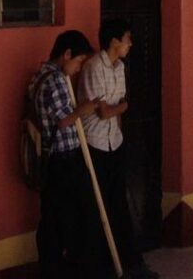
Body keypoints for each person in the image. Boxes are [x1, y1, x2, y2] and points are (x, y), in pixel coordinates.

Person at [79, 18, 158, 279]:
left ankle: (127, 260)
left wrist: (118, 114)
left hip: (115, 142)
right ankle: (97, 263)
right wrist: (120, 108)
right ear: (114, 41)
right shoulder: (93, 67)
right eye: (127, 39)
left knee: (118, 203)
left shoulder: (119, 67)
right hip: (95, 143)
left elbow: (117, 108)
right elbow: (103, 111)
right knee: (96, 205)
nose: (130, 44)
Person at [31, 29, 103, 279]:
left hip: (53, 159)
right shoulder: (56, 80)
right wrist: (86, 109)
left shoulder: (40, 76)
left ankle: (52, 269)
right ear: (67, 54)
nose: (79, 68)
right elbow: (63, 121)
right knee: (73, 218)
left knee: (52, 219)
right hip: (64, 159)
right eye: (79, 61)